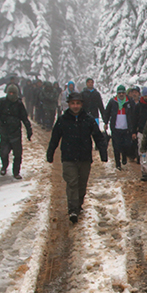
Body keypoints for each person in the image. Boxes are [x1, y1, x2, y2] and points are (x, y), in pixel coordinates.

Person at [47, 90, 109, 223]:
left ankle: (78, 204)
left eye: (78, 103)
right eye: (73, 103)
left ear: (81, 104)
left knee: (81, 184)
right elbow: (55, 138)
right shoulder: (63, 120)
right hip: (68, 158)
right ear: (69, 104)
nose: (75, 106)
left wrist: (103, 153)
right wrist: (50, 153)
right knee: (72, 183)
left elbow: (98, 137)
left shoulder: (88, 119)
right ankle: (72, 209)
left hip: (85, 158)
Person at [0, 83, 33, 179]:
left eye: (13, 93)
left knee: (18, 154)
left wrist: (29, 130)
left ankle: (16, 172)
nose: (11, 95)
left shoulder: (19, 104)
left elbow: (24, 118)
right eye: (9, 92)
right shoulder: (1, 102)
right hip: (4, 132)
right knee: (3, 152)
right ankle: (4, 166)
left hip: (16, 133)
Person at [106, 84, 134, 169]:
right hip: (116, 128)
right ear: (117, 94)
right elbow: (107, 112)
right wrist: (105, 122)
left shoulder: (129, 102)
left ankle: (124, 156)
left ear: (125, 93)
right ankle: (118, 163)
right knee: (116, 147)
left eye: (123, 93)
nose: (121, 94)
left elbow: (134, 114)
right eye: (119, 93)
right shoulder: (112, 102)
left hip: (126, 128)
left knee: (126, 145)